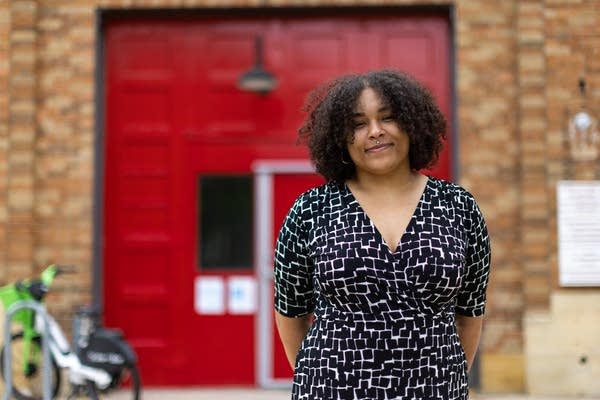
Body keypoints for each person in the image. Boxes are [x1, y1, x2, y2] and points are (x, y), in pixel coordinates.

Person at [273, 69, 491, 400]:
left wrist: (448, 374)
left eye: (388, 118)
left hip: (435, 389)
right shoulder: (311, 210)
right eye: (358, 124)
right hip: (332, 389)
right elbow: (290, 310)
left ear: (412, 124)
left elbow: (471, 310)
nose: (375, 132)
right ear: (340, 138)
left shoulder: (458, 207)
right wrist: (316, 372)